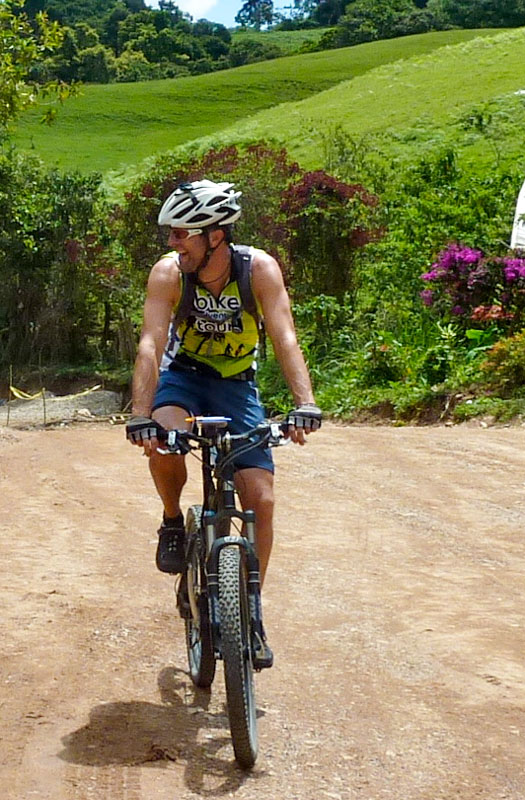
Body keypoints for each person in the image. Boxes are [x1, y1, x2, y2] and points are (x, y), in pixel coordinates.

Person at [124, 180, 322, 669]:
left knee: (262, 498)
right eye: (171, 234)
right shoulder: (169, 274)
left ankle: (250, 610)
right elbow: (151, 342)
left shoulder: (258, 270)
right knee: (165, 442)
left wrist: (305, 403)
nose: (173, 244)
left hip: (237, 387)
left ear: (215, 235)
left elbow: (284, 336)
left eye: (182, 234)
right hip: (184, 380)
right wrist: (140, 414)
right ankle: (173, 520)